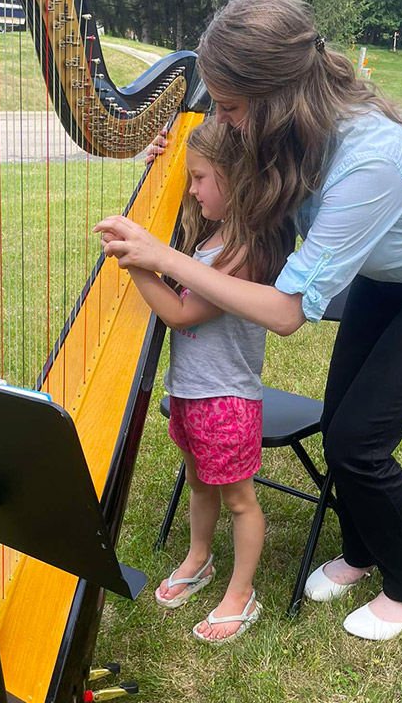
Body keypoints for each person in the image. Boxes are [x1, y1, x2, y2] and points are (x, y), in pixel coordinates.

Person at [95, 0, 402, 641]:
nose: (226, 120)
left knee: (359, 438)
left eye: (232, 108)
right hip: (384, 273)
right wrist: (172, 168)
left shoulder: (369, 158)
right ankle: (362, 550)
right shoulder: (278, 129)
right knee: (343, 423)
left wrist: (167, 261)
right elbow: (226, 185)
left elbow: (288, 313)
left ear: (277, 98)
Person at [125, 117, 293, 643]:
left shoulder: (241, 252)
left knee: (240, 499)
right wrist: (160, 168)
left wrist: (137, 265)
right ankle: (199, 558)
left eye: (199, 179)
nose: (191, 189)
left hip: (226, 400)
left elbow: (179, 313)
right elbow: (175, 228)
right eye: (188, 178)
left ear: (236, 181)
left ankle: (241, 594)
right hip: (190, 393)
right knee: (198, 482)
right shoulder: (210, 233)